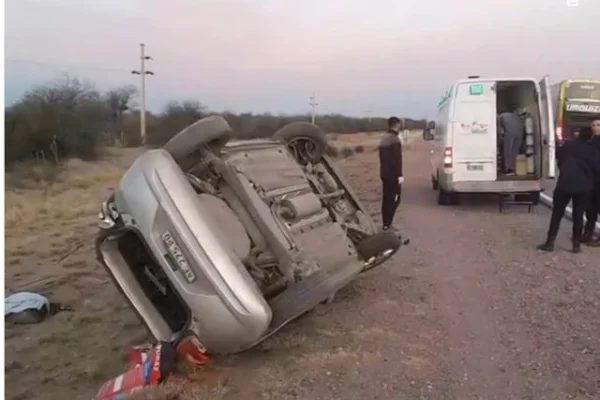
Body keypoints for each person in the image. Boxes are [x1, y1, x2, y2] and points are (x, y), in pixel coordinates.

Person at [537, 128, 599, 253]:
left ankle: (550, 242)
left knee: (557, 214)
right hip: (583, 186)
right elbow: (596, 168)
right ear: (590, 137)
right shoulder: (592, 150)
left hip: (564, 184)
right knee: (578, 215)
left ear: (578, 135)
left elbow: (559, 161)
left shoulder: (568, 145)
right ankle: (576, 245)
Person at [378, 116, 404, 231]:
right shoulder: (395, 139)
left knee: (386, 199)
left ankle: (385, 223)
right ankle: (388, 224)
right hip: (393, 175)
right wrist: (400, 175)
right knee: (395, 199)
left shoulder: (383, 138)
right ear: (397, 125)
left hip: (384, 173)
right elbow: (397, 160)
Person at [582, 118, 600, 246]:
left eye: (598, 125)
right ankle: (588, 233)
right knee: (590, 208)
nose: (595, 127)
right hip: (591, 180)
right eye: (593, 125)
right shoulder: (589, 143)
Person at [498, 107, 525, 175]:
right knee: (514, 151)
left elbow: (499, 130)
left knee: (507, 151)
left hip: (510, 133)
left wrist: (499, 140)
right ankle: (512, 168)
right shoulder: (515, 116)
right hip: (520, 132)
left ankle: (506, 169)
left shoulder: (500, 116)